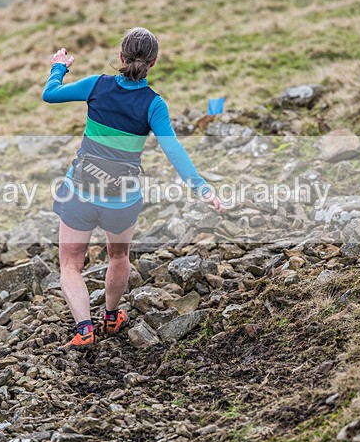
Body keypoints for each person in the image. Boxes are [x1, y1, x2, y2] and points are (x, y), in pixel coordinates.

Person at [42, 27, 224, 351]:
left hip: (80, 191)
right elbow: (174, 150)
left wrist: (59, 66)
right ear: (152, 63)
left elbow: (50, 94)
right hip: (121, 199)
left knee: (70, 265)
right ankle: (111, 317)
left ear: (121, 57)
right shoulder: (154, 104)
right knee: (119, 255)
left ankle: (85, 329)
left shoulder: (97, 85)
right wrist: (203, 189)